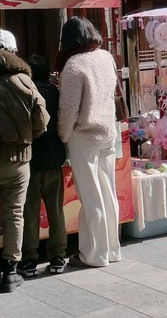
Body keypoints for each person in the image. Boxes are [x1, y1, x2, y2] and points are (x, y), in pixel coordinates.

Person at [0, 28, 48, 293]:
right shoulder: (24, 81)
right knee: (15, 214)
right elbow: (41, 120)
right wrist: (28, 137)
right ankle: (11, 271)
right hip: (18, 159)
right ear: (14, 51)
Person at [56, 16, 121, 268]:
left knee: (91, 197)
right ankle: (112, 249)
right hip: (107, 132)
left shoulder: (74, 65)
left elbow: (68, 109)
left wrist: (63, 135)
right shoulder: (106, 57)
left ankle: (94, 254)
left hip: (84, 137)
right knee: (108, 193)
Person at [17, 54, 68, 278]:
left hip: (30, 160)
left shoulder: (24, 92)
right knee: (56, 211)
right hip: (54, 158)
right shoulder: (55, 92)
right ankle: (57, 256)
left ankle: (29, 259)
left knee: (30, 212)